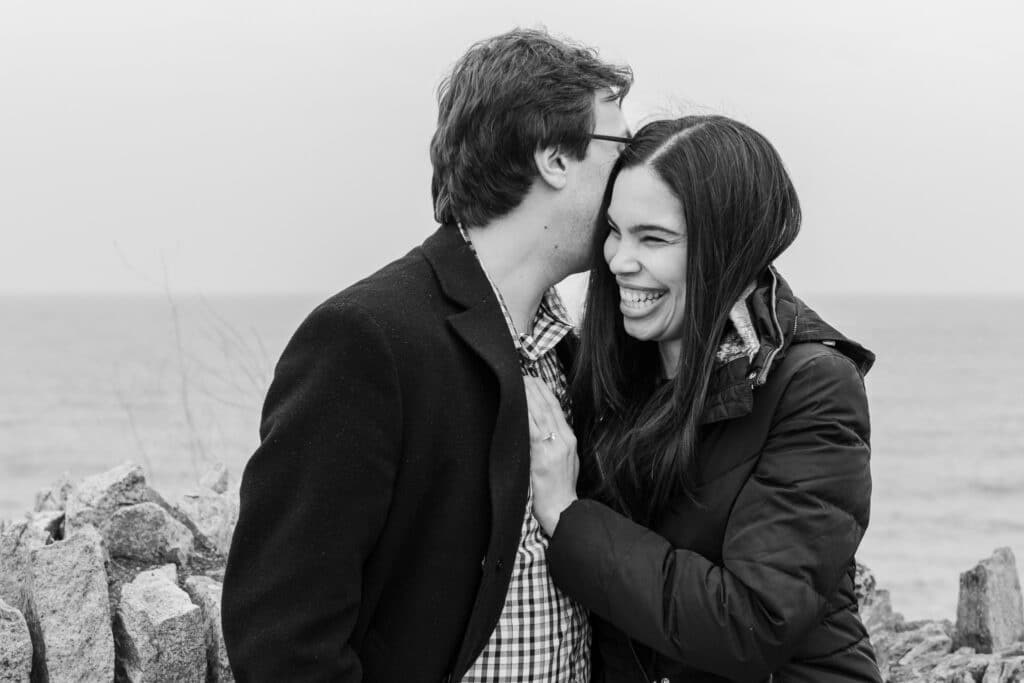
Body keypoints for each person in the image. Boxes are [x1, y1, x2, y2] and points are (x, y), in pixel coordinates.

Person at [221, 28, 632, 682]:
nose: (635, 173)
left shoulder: (572, 352)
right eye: (622, 147)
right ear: (554, 156)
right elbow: (282, 639)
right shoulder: (368, 338)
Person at [525, 116, 882, 682]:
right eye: (615, 231)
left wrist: (569, 518)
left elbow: (751, 623)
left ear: (729, 250)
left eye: (654, 238)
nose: (618, 260)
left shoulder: (812, 386)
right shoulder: (610, 366)